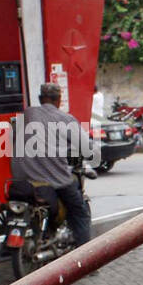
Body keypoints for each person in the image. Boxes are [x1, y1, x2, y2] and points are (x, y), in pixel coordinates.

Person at [13, 82, 92, 247]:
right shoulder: (65, 119)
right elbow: (87, 148)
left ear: (40, 99)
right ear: (59, 100)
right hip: (53, 181)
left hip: (21, 180)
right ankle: (87, 260)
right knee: (80, 213)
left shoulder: (26, 114)